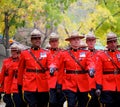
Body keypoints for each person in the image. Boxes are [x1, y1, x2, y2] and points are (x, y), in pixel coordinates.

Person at [60, 31, 95, 107]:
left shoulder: (86, 53)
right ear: (70, 41)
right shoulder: (64, 54)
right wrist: (60, 83)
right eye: (74, 39)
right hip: (69, 83)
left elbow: (90, 63)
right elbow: (60, 69)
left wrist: (91, 69)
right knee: (71, 103)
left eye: (78, 39)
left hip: (83, 82)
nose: (76, 41)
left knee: (83, 103)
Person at [17, 29, 49, 107]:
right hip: (29, 84)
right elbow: (20, 70)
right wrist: (19, 84)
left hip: (43, 84)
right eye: (35, 38)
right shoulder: (24, 53)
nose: (37, 40)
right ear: (31, 40)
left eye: (39, 38)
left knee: (42, 104)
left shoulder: (46, 53)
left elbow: (49, 69)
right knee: (32, 104)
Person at [96, 32, 120, 107]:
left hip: (119, 84)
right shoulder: (102, 55)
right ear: (107, 43)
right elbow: (99, 72)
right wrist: (99, 87)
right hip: (107, 85)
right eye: (110, 42)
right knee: (109, 104)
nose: (113, 44)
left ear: (116, 42)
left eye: (114, 41)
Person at [47, 32, 66, 107]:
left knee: (61, 101)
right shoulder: (46, 53)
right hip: (50, 81)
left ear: (58, 42)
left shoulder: (63, 53)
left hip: (61, 80)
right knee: (52, 102)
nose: (54, 43)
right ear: (49, 42)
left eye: (56, 41)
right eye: (52, 41)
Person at [85, 31, 100, 107]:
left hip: (98, 83)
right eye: (89, 40)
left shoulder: (100, 53)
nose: (91, 42)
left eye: (92, 40)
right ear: (86, 42)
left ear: (95, 41)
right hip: (86, 82)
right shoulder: (83, 53)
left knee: (97, 103)